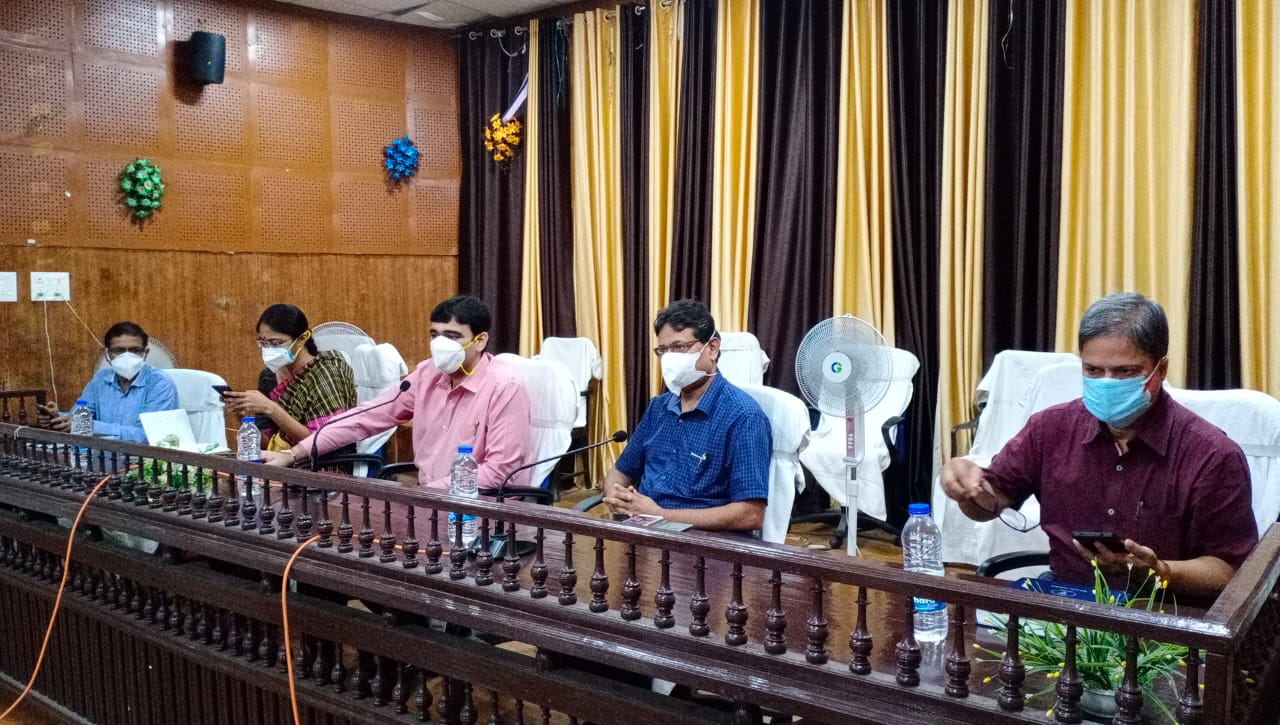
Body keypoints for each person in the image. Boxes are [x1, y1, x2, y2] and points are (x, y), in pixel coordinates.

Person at [940, 292, 1256, 598]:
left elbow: (1229, 571)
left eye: (1124, 372)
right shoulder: (1050, 429)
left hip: (1162, 613)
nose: (1106, 383)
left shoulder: (1212, 455)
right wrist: (967, 488)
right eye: (1093, 370)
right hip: (1065, 605)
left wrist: (1159, 572)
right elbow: (989, 503)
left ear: (1160, 370)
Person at [262, 295, 533, 490]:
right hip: (431, 503)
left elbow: (499, 471)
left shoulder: (504, 387)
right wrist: (294, 454)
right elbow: (365, 417)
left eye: (452, 337)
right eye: (435, 335)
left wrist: (426, 495)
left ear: (480, 340)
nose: (440, 344)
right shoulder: (427, 374)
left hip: (485, 510)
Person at [602, 299, 771, 532]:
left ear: (712, 348)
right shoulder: (658, 408)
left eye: (679, 347)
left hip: (701, 542)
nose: (669, 358)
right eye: (663, 350)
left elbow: (751, 514)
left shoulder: (744, 416)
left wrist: (660, 515)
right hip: (642, 530)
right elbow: (621, 472)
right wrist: (616, 497)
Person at [223, 304, 357, 452]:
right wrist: (242, 416)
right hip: (278, 459)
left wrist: (271, 409)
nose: (268, 349)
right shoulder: (269, 377)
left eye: (275, 343)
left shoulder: (328, 373)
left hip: (324, 462)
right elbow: (267, 445)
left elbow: (324, 442)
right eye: (263, 342)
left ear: (302, 338)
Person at [37, 321, 178, 443]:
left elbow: (148, 435)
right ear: (107, 354)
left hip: (142, 459)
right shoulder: (101, 378)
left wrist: (90, 426)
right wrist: (57, 418)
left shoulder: (160, 383)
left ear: (145, 353)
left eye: (135, 350)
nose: (127, 356)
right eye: (119, 350)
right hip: (104, 454)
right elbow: (81, 415)